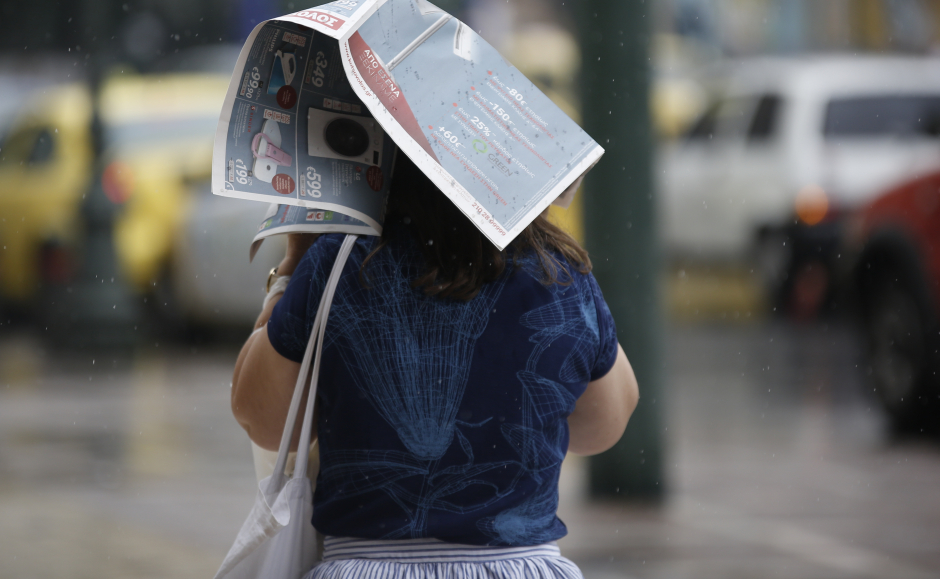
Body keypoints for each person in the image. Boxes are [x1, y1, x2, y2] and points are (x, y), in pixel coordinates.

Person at [231, 156, 639, 576]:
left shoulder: (341, 262)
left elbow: (264, 420)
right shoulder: (557, 272)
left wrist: (293, 264)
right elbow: (603, 427)